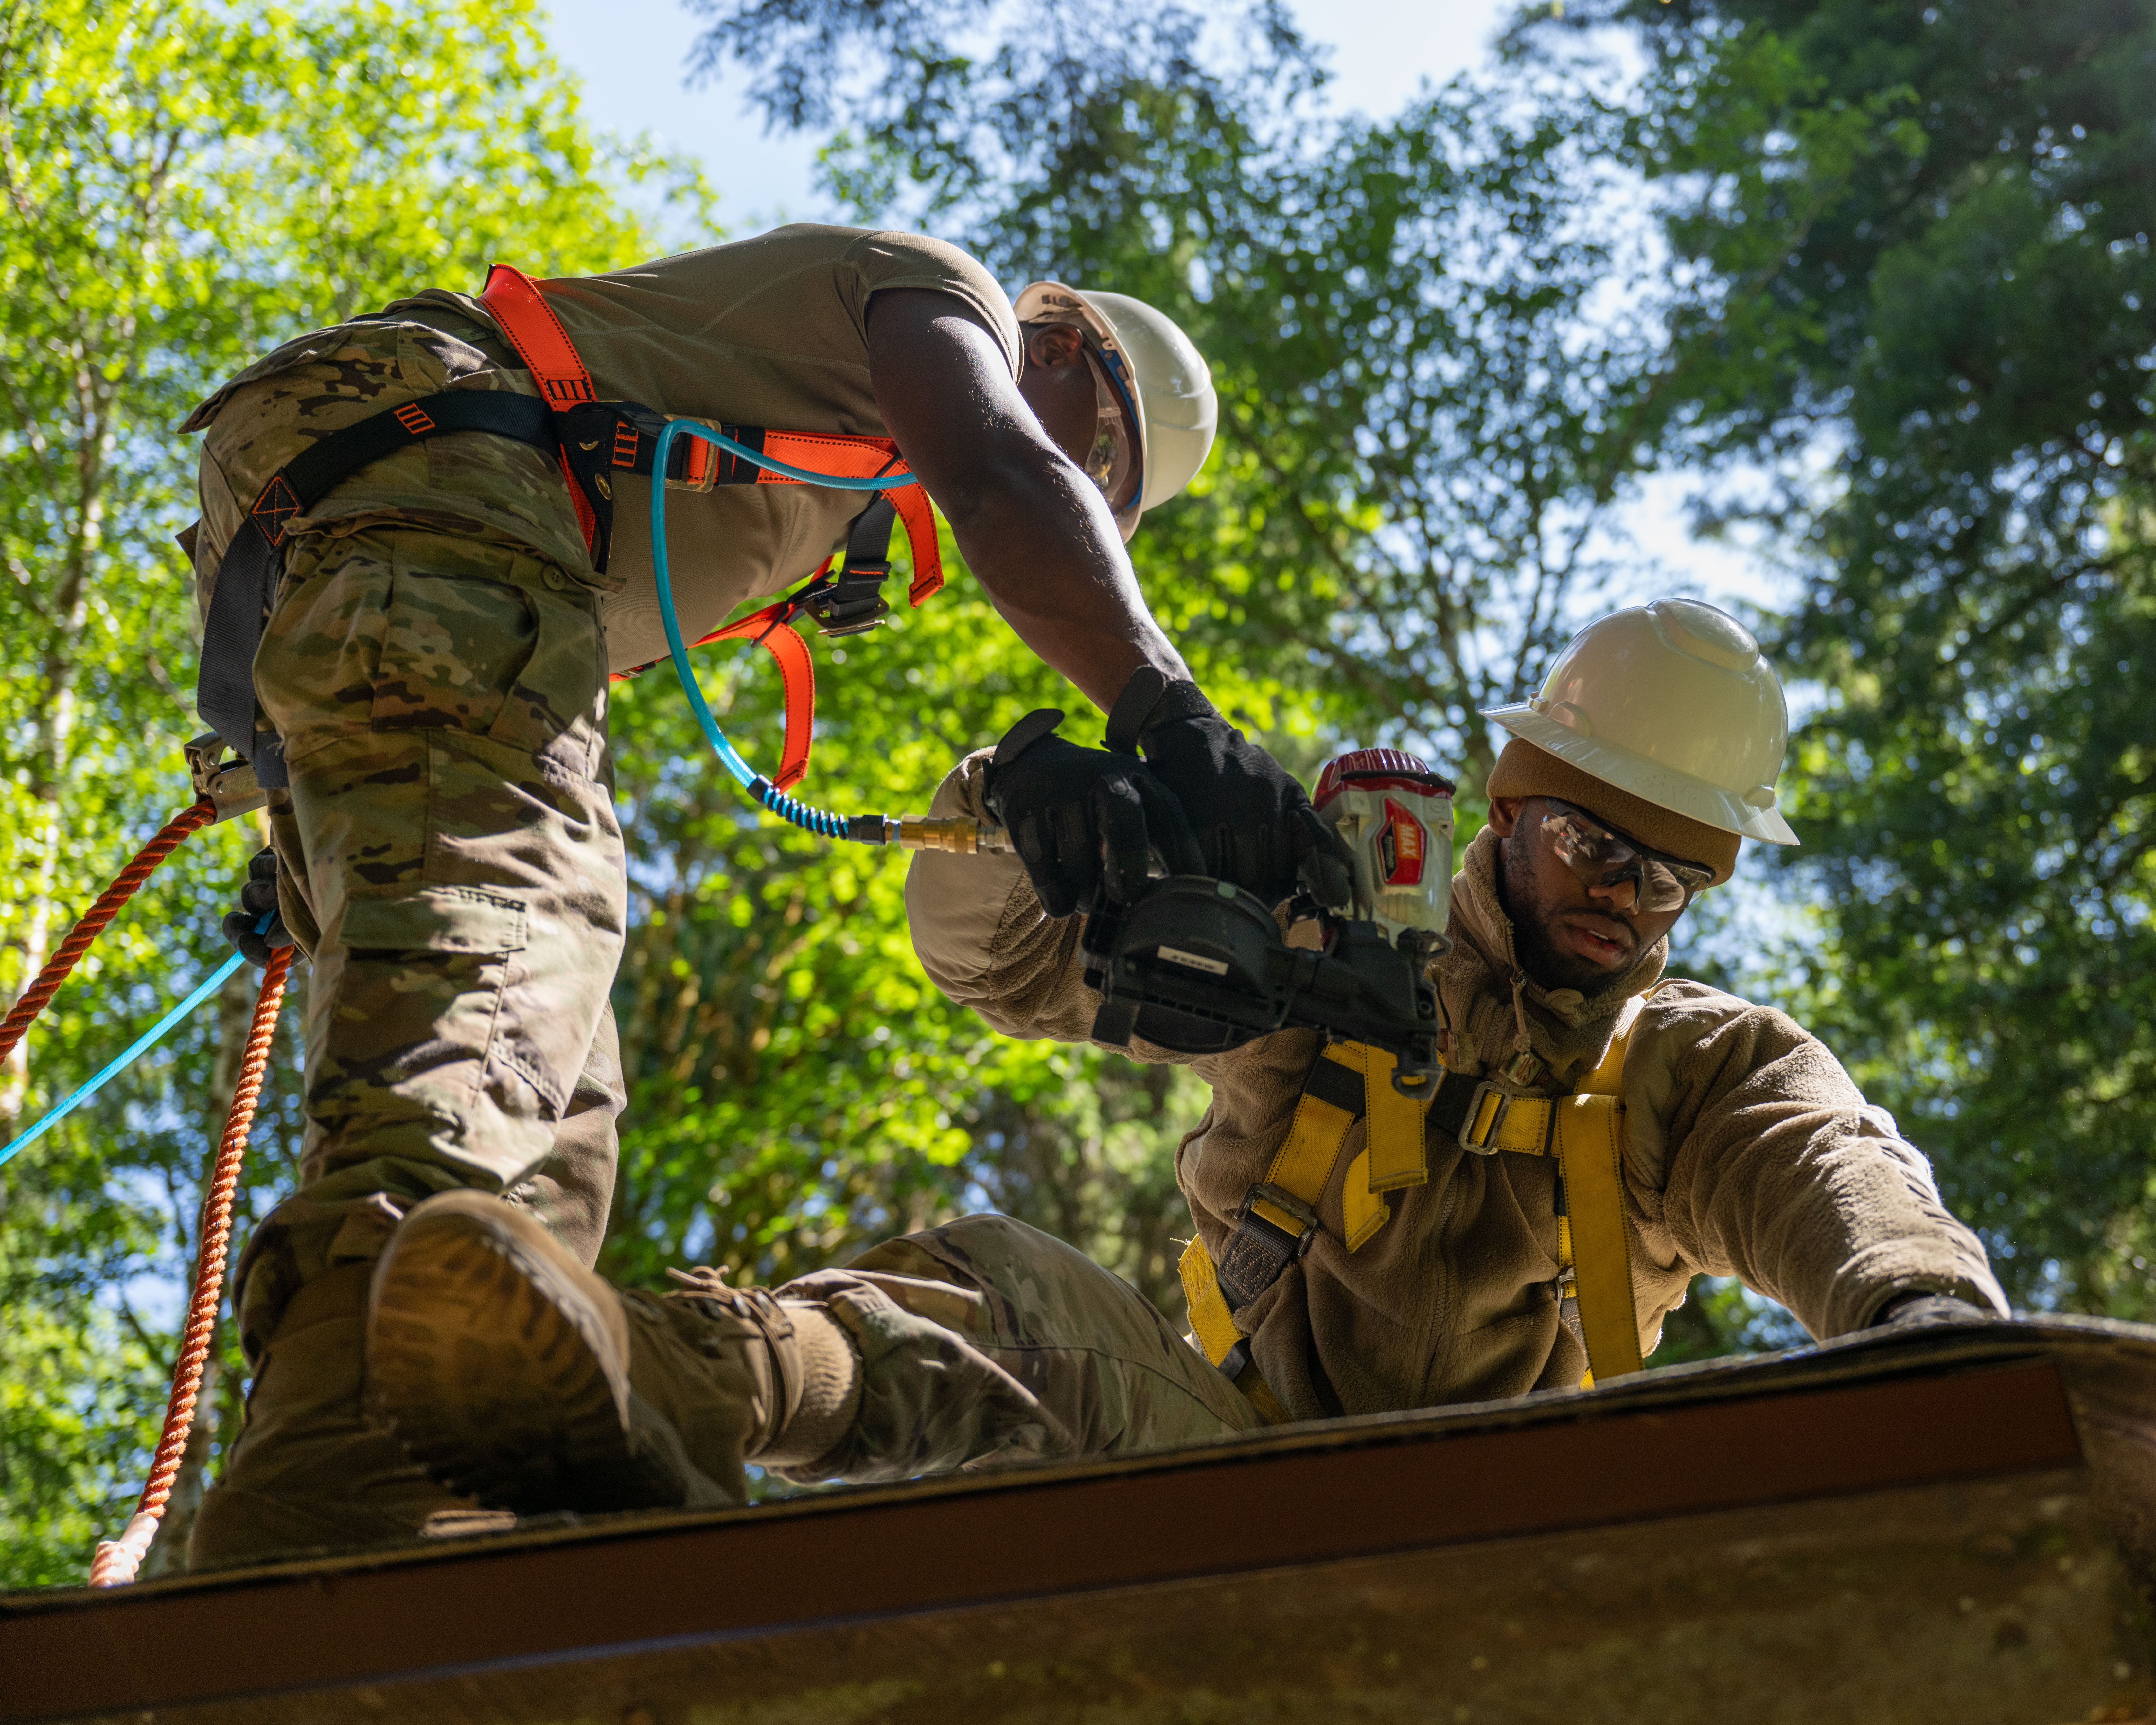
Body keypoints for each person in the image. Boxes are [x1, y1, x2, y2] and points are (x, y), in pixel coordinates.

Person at [182, 225, 1331, 1566]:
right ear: (1064, 346)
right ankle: (339, 1470)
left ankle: (448, 1479)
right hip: (423, 446)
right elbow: (1004, 470)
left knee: (560, 1102)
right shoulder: (936, 299)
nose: (1085, 491)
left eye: (1110, 500)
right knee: (513, 937)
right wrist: (1167, 708)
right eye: (1104, 462)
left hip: (342, 539)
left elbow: (430, 645)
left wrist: (316, 824)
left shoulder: (821, 496)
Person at [354, 598, 2006, 1519]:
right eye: (1589, 841)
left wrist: (1928, 1319)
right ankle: (644, 1393)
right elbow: (988, 960)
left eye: (1672, 873)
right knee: (1007, 1287)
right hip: (1223, 1479)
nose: (1621, 897)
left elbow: (1833, 1173)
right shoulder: (1334, 935)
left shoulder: (1697, 1071)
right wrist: (1024, 817)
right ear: (1507, 799)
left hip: (1526, 1534)